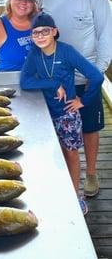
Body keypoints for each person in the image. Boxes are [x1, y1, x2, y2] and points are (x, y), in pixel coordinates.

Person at [38, 0, 112, 197]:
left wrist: (98, 71)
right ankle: (63, 171)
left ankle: (91, 172)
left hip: (85, 77)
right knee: (58, 126)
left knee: (89, 128)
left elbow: (106, 34)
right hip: (54, 79)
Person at [20, 11, 104, 215]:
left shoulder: (67, 51)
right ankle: (58, 190)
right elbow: (25, 81)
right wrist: (53, 83)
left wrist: (82, 101)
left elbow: (96, 76)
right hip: (46, 113)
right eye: (36, 33)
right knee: (52, 155)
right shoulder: (34, 54)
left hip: (67, 114)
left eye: (45, 32)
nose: (40, 36)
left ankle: (76, 196)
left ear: (54, 32)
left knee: (71, 153)